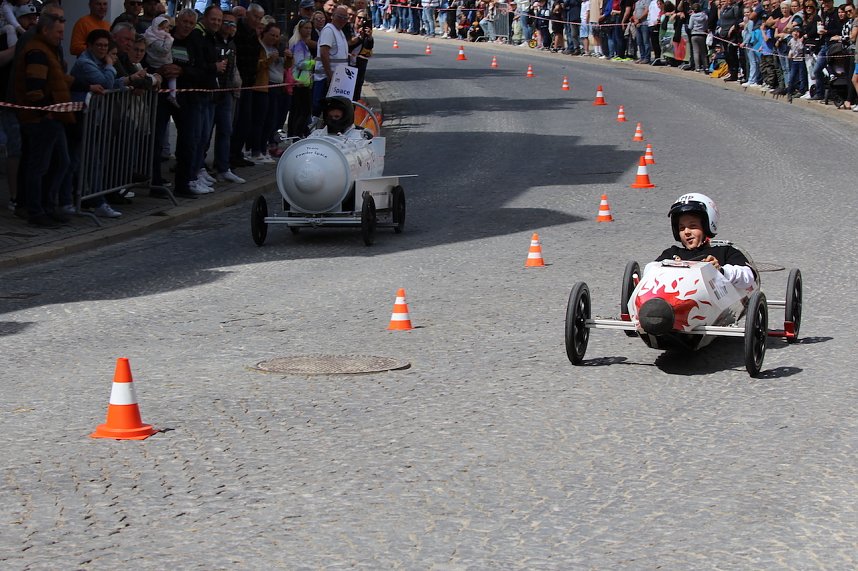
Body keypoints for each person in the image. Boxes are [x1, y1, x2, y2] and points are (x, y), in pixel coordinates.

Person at [653, 193, 756, 290]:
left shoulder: (724, 252)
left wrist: (720, 270)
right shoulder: (672, 253)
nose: (687, 232)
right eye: (682, 228)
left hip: (713, 305)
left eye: (693, 226)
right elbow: (650, 270)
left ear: (706, 227)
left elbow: (749, 276)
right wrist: (670, 267)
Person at [313, 4, 350, 117]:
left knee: (333, 110)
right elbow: (324, 53)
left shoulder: (339, 31)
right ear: (333, 16)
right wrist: (329, 75)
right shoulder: (329, 30)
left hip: (337, 79)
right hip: (325, 78)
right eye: (340, 17)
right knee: (320, 108)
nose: (343, 20)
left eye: (345, 18)